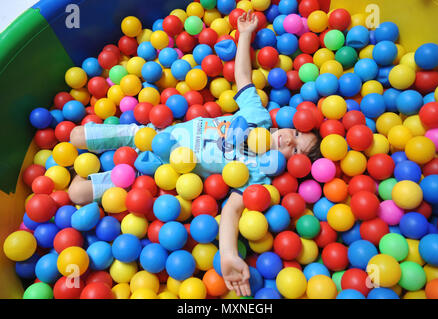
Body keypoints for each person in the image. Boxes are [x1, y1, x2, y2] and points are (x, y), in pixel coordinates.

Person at [68, 10, 321, 297]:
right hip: (148, 132)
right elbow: (242, 75)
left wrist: (227, 254)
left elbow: (231, 211)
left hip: (148, 172)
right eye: (297, 134)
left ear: (293, 164)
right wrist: (246, 35)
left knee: (76, 195)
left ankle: (84, 167)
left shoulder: (259, 174)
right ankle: (89, 157)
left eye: (297, 150)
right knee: (76, 135)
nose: (290, 141)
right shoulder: (258, 117)